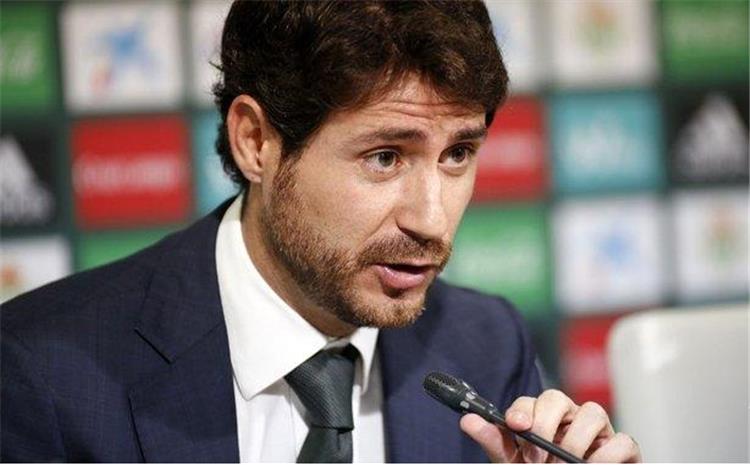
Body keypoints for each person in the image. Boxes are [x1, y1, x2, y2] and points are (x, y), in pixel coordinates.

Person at [1, 1, 641, 462]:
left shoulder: (487, 346)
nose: (432, 219)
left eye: (458, 154)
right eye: (384, 157)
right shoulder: (45, 373)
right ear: (256, 142)